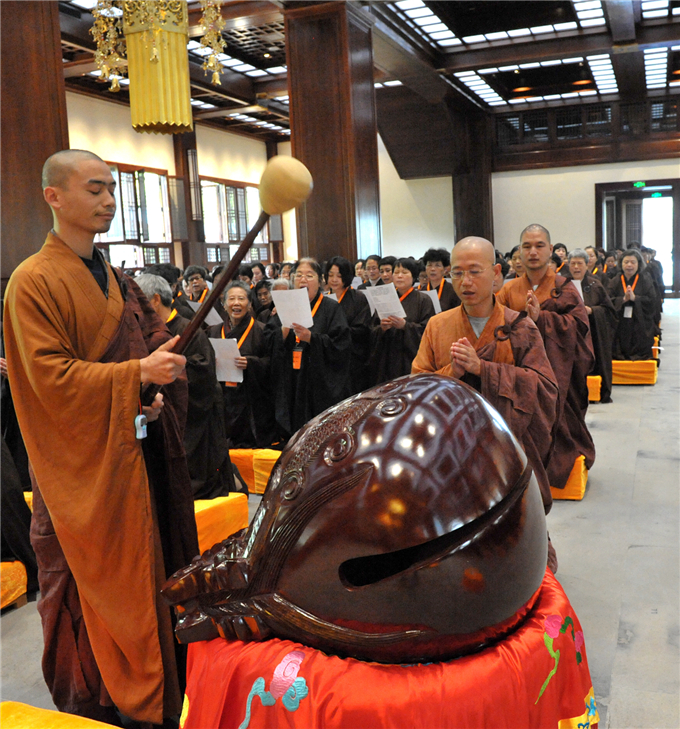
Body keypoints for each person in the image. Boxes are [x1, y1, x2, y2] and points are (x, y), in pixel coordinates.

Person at [3, 150, 197, 726]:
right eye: (94, 189)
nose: (109, 200)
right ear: (53, 196)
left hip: (134, 457)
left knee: (152, 571)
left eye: (111, 188)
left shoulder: (116, 277)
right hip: (80, 473)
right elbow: (49, 381)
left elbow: (147, 346)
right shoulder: (32, 281)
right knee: (88, 588)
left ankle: (160, 687)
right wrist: (136, 376)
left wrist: (152, 387)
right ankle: (106, 700)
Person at [411, 237, 559, 528]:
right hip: (451, 453)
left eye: (474, 271)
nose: (465, 281)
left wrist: (483, 369)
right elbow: (417, 387)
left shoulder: (520, 326)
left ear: (496, 273)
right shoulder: (437, 325)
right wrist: (452, 371)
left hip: (505, 450)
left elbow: (544, 388)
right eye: (457, 273)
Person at [496, 224, 596, 492]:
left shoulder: (564, 287)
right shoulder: (508, 290)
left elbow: (580, 327)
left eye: (539, 245)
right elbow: (496, 326)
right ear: (519, 251)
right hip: (520, 372)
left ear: (550, 250)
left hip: (558, 371)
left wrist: (543, 318)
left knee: (558, 421)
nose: (533, 252)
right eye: (526, 246)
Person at [136, 274, 234, 498]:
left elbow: (203, 374)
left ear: (155, 300)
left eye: (139, 302)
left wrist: (168, 373)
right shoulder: (144, 332)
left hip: (193, 416)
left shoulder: (188, 330)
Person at [266, 258, 352, 441]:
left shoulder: (331, 308)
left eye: (309, 275)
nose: (303, 279)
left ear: (320, 281)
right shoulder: (283, 307)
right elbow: (267, 340)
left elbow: (342, 344)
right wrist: (282, 332)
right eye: (298, 275)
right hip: (291, 377)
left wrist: (312, 338)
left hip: (318, 380)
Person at [208, 282, 276, 449]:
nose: (236, 303)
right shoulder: (213, 331)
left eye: (241, 299)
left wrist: (252, 363)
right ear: (224, 305)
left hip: (250, 398)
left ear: (250, 304)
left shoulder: (262, 330)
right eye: (231, 299)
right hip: (223, 394)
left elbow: (273, 363)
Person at [368, 257, 435, 386]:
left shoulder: (423, 300)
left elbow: (428, 330)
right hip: (387, 358)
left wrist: (405, 326)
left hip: (409, 358)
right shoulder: (385, 298)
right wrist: (382, 328)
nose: (399, 276)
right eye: (396, 272)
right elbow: (372, 328)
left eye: (404, 272)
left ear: (413, 276)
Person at [566, 249, 617, 404]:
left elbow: (609, 311)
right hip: (569, 333)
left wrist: (592, 311)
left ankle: (597, 391)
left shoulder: (595, 284)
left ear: (586, 264)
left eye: (579, 263)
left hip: (593, 332)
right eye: (573, 263)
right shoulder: (562, 285)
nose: (576, 267)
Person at [325, 255, 372, 394]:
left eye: (339, 276)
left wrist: (338, 334)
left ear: (346, 276)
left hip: (351, 358)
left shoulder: (358, 298)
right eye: (330, 275)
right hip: (328, 356)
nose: (334, 279)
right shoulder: (323, 298)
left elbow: (363, 328)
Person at [606, 249, 657, 360]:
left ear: (638, 264)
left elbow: (652, 301)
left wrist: (635, 299)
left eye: (633, 262)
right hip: (620, 321)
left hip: (640, 321)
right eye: (626, 262)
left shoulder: (645, 280)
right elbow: (607, 301)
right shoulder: (615, 281)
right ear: (621, 264)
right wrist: (622, 300)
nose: (629, 265)